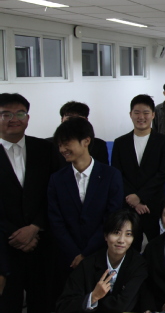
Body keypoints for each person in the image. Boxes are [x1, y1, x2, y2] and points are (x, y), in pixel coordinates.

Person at [48, 117, 124, 300]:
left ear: (86, 141)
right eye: (59, 145)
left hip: (101, 254)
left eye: (66, 143)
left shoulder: (111, 175)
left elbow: (112, 217)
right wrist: (74, 253)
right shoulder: (57, 179)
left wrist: (86, 253)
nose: (62, 149)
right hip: (68, 259)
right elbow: (55, 221)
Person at [0, 94, 58, 312]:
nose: (14, 119)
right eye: (6, 114)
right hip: (5, 247)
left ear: (28, 117)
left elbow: (54, 193)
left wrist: (35, 227)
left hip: (41, 244)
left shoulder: (45, 149)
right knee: (8, 304)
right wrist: (16, 234)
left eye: (20, 113)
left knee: (43, 303)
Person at [111, 94, 165, 251]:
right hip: (128, 205)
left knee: (156, 248)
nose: (141, 117)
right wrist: (134, 200)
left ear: (153, 115)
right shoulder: (120, 143)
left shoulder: (163, 141)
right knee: (129, 248)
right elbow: (117, 174)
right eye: (137, 112)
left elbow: (163, 173)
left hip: (153, 204)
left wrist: (140, 197)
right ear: (130, 114)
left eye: (146, 113)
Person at [56, 209, 148, 313]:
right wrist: (93, 297)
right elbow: (63, 306)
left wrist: (94, 303)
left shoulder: (138, 264)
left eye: (128, 234)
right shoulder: (87, 264)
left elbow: (121, 306)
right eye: (116, 233)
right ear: (105, 236)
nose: (121, 240)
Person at [52, 101, 109, 166]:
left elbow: (103, 169)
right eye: (69, 118)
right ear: (62, 120)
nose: (73, 122)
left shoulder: (99, 145)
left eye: (78, 119)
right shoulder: (49, 144)